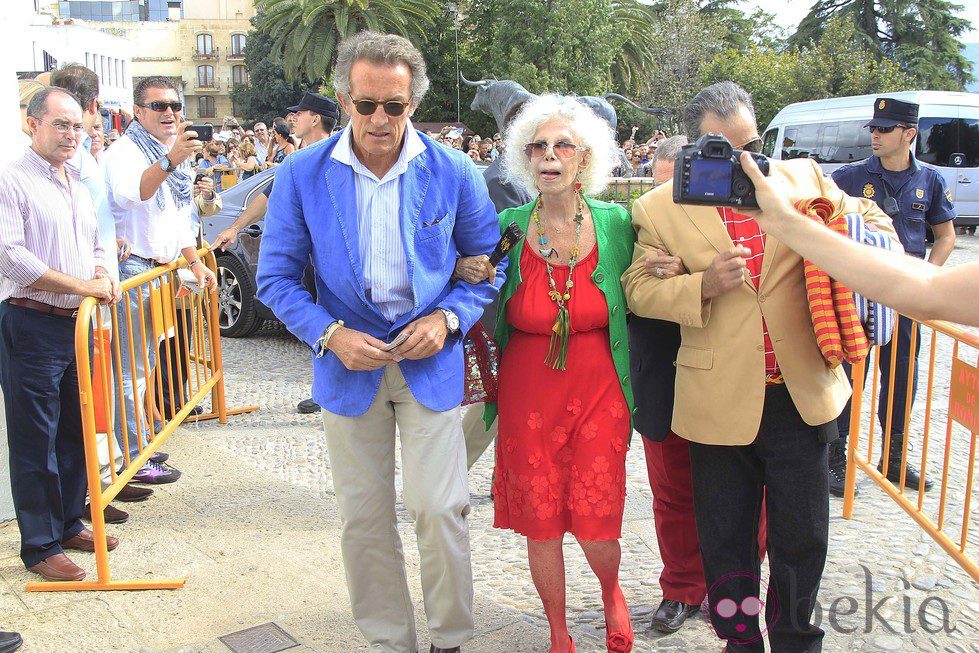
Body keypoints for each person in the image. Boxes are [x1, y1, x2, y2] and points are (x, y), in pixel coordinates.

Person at [623, 81, 899, 653]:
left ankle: (798, 639)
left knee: (803, 538)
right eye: (721, 149)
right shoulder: (658, 206)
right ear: (695, 148)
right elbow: (637, 291)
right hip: (716, 398)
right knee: (726, 542)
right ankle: (741, 639)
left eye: (751, 145)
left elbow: (873, 222)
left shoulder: (805, 180)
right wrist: (701, 285)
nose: (742, 163)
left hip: (801, 394)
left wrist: (850, 238)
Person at [256, 32, 505, 653]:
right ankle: (390, 642)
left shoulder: (452, 170)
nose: (378, 119)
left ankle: (450, 639)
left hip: (433, 364)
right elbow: (276, 278)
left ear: (412, 105)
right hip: (348, 368)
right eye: (366, 104)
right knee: (363, 519)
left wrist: (447, 320)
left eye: (393, 106)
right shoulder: (302, 173)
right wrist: (331, 335)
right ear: (344, 100)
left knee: (439, 508)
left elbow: (487, 264)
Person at [485, 94, 635, 653]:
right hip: (528, 389)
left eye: (562, 145)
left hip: (600, 386)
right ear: (527, 160)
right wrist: (470, 271)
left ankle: (611, 590)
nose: (550, 155)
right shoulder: (507, 225)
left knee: (597, 512)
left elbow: (649, 278)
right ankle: (557, 630)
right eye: (539, 147)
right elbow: (471, 277)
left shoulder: (618, 224)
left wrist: (663, 266)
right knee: (542, 516)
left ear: (584, 158)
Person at [0, 87, 123, 582]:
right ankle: (40, 544)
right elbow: (12, 257)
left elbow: (93, 239)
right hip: (31, 321)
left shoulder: (74, 177)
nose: (72, 134)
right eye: (60, 124)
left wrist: (100, 274)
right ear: (32, 124)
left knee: (75, 428)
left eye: (78, 125)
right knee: (36, 438)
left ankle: (71, 520)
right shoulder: (11, 179)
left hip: (76, 324)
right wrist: (83, 285)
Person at [829, 97, 957, 496]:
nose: (876, 136)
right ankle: (836, 458)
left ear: (909, 134)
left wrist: (923, 283)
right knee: (849, 375)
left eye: (884, 129)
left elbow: (946, 236)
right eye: (874, 129)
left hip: (904, 299)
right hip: (859, 296)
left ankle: (895, 458)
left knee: (902, 376)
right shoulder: (849, 177)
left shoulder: (930, 181)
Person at [49, 63, 155, 522]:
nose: (75, 131)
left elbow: (87, 221)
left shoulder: (82, 157)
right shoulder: (66, 160)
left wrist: (106, 249)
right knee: (83, 402)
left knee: (96, 393)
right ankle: (89, 494)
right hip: (76, 296)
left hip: (97, 287)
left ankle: (98, 485)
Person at [102, 76, 219, 484]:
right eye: (159, 106)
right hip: (134, 269)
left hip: (159, 269)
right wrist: (171, 160)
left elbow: (176, 215)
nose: (170, 113)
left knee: (147, 360)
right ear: (138, 112)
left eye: (174, 105)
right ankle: (134, 458)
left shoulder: (168, 153)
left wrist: (195, 261)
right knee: (131, 369)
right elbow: (137, 192)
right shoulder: (125, 151)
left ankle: (141, 444)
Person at [738, 151, 979, 328]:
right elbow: (925, 286)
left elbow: (925, 287)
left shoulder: (929, 177)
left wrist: (787, 223)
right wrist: (786, 222)